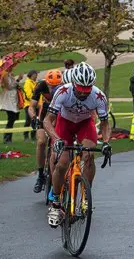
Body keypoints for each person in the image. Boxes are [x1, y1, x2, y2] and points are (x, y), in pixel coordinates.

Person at [44, 62, 112, 228]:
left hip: (84, 124)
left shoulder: (98, 96)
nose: (83, 92)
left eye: (87, 89)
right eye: (80, 88)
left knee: (89, 155)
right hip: (64, 124)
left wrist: (106, 142)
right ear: (74, 83)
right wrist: (56, 138)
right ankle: (55, 202)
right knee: (62, 163)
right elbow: (47, 120)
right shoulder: (62, 92)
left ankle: (86, 197)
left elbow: (104, 123)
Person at [30, 69, 63, 194]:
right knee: (41, 142)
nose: (53, 88)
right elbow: (32, 106)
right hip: (45, 112)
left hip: (58, 114)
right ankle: (40, 175)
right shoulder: (41, 86)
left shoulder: (65, 88)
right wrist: (33, 117)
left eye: (56, 86)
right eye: (51, 85)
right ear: (46, 82)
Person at [0, 64, 23, 144]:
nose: (12, 67)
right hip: (8, 100)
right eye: (10, 66)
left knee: (13, 119)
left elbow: (14, 85)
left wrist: (17, 81)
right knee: (11, 118)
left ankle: (9, 138)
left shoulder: (10, 74)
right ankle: (7, 138)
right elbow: (9, 86)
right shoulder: (5, 74)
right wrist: (18, 79)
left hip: (13, 98)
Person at [22, 70, 38, 141]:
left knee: (35, 121)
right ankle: (26, 136)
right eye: (36, 74)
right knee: (28, 121)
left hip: (36, 105)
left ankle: (33, 136)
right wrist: (35, 100)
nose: (37, 75)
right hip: (29, 105)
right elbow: (28, 95)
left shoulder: (35, 83)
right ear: (32, 75)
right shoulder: (27, 83)